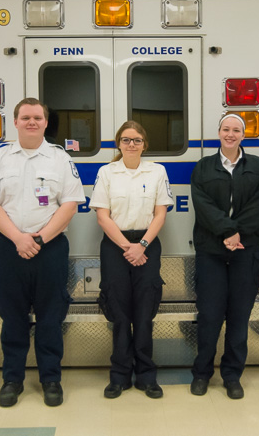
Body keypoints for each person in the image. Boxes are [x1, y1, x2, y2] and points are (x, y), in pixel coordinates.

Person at [0, 98, 85, 408]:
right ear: (16, 121)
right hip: (8, 248)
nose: (32, 122)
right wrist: (18, 239)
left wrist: (38, 239)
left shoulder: (60, 159)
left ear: (46, 123)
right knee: (12, 317)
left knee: (51, 317)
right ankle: (13, 379)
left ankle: (51, 379)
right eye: (26, 117)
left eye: (37, 117)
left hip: (49, 248)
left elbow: (71, 203)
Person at [89, 121, 173, 399]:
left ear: (144, 144)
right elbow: (103, 215)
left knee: (145, 311)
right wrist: (128, 247)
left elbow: (160, 213)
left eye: (137, 140)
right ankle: (119, 376)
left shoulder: (157, 171)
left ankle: (147, 376)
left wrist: (142, 246)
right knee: (120, 312)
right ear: (118, 143)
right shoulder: (107, 172)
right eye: (126, 140)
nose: (132, 145)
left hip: (147, 244)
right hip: (116, 245)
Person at [189, 114, 259, 399]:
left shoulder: (257, 166)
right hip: (211, 252)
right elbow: (203, 204)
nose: (230, 134)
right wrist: (226, 232)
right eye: (226, 129)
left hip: (246, 251)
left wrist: (238, 234)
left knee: (238, 318)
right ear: (218, 132)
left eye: (236, 130)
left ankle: (232, 375)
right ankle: (202, 373)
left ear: (243, 135)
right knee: (209, 316)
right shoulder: (203, 167)